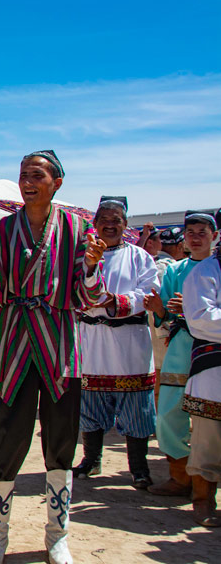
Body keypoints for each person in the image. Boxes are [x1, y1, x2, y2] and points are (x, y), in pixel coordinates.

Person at [0, 150, 106, 564]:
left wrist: (92, 266)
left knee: (61, 444)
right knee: (5, 442)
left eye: (37, 174)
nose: (27, 181)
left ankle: (57, 536)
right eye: (23, 174)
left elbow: (88, 297)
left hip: (60, 349)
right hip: (15, 348)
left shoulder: (78, 230)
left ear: (57, 182)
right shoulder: (1, 232)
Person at [72, 196, 159, 489]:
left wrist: (116, 301)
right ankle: (91, 459)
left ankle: (139, 467)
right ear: (95, 224)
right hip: (92, 340)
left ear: (125, 225)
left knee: (137, 408)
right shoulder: (82, 256)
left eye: (116, 221)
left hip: (129, 341)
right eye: (104, 220)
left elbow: (148, 292)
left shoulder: (140, 257)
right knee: (91, 405)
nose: (109, 225)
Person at [145, 211, 219, 498]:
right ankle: (180, 474)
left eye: (202, 232)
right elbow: (163, 313)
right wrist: (162, 308)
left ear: (214, 236)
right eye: (191, 233)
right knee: (168, 413)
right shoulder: (176, 270)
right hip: (182, 345)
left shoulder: (217, 268)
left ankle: (206, 477)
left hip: (214, 349)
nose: (196, 237)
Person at [181, 214, 221, 527]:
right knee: (209, 439)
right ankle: (203, 499)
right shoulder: (207, 271)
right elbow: (200, 318)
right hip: (213, 369)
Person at [151, 226, 186, 400]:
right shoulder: (175, 269)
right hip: (166, 334)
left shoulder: (150, 264)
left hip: (151, 334)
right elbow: (168, 304)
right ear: (180, 246)